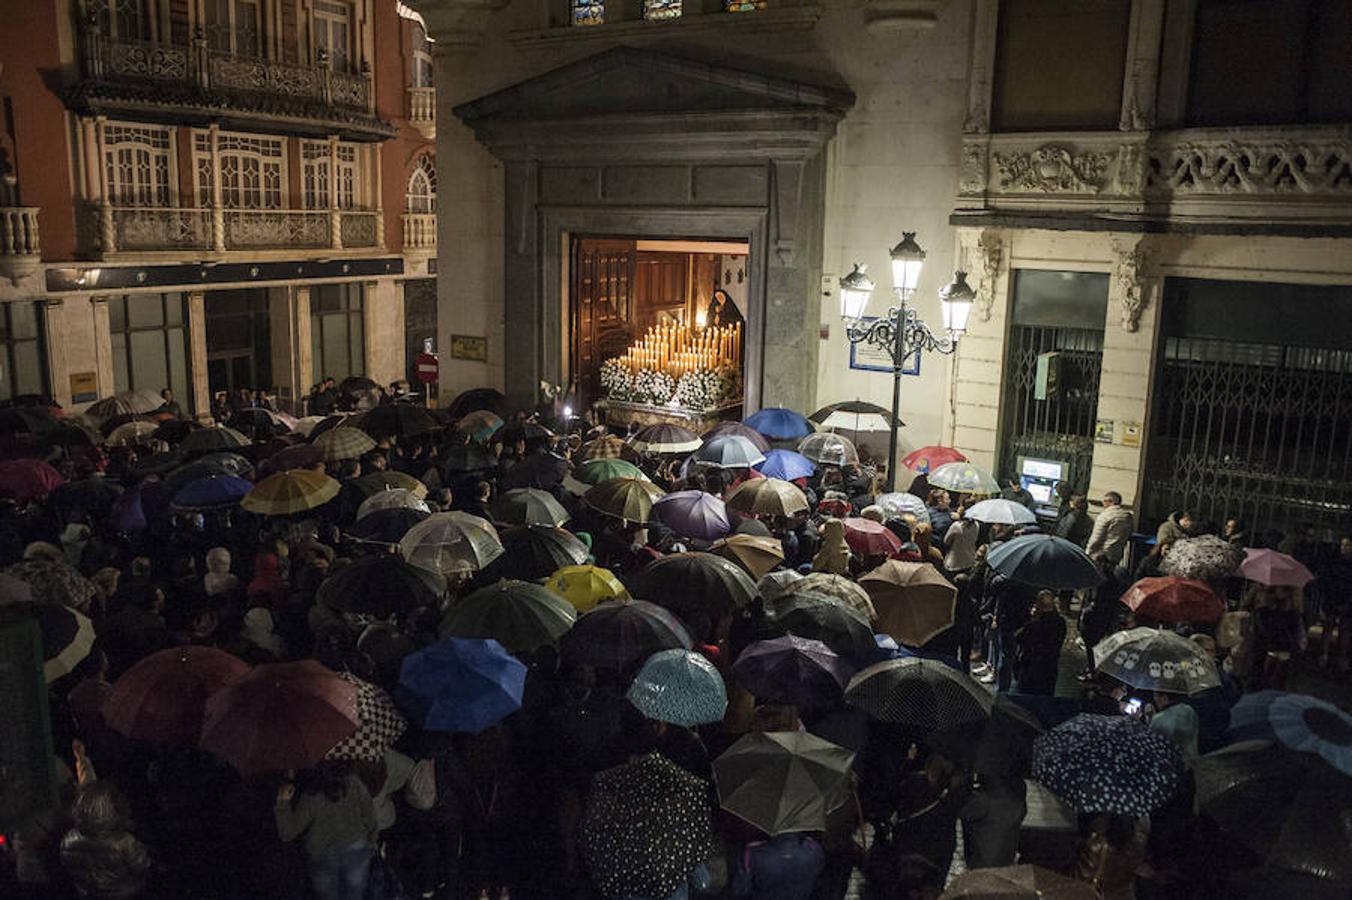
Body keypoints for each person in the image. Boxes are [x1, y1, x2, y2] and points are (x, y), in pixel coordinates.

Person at [275, 764, 378, 900]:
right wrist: (371, 842)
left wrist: (282, 801)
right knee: (354, 895)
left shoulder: (310, 796)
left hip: (322, 855)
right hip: (356, 847)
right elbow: (370, 815)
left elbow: (287, 833)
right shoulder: (353, 782)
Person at [1012, 591, 1067, 695]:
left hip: (1031, 668)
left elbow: (1018, 637)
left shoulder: (1034, 625)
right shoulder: (1061, 622)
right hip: (1050, 668)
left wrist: (1032, 618)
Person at [1085, 491, 1134, 569]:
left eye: (1104, 501)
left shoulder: (1105, 516)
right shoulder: (1127, 516)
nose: (1103, 504)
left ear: (1111, 502)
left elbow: (1096, 537)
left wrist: (1088, 553)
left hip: (1100, 556)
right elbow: (1129, 533)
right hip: (1116, 555)